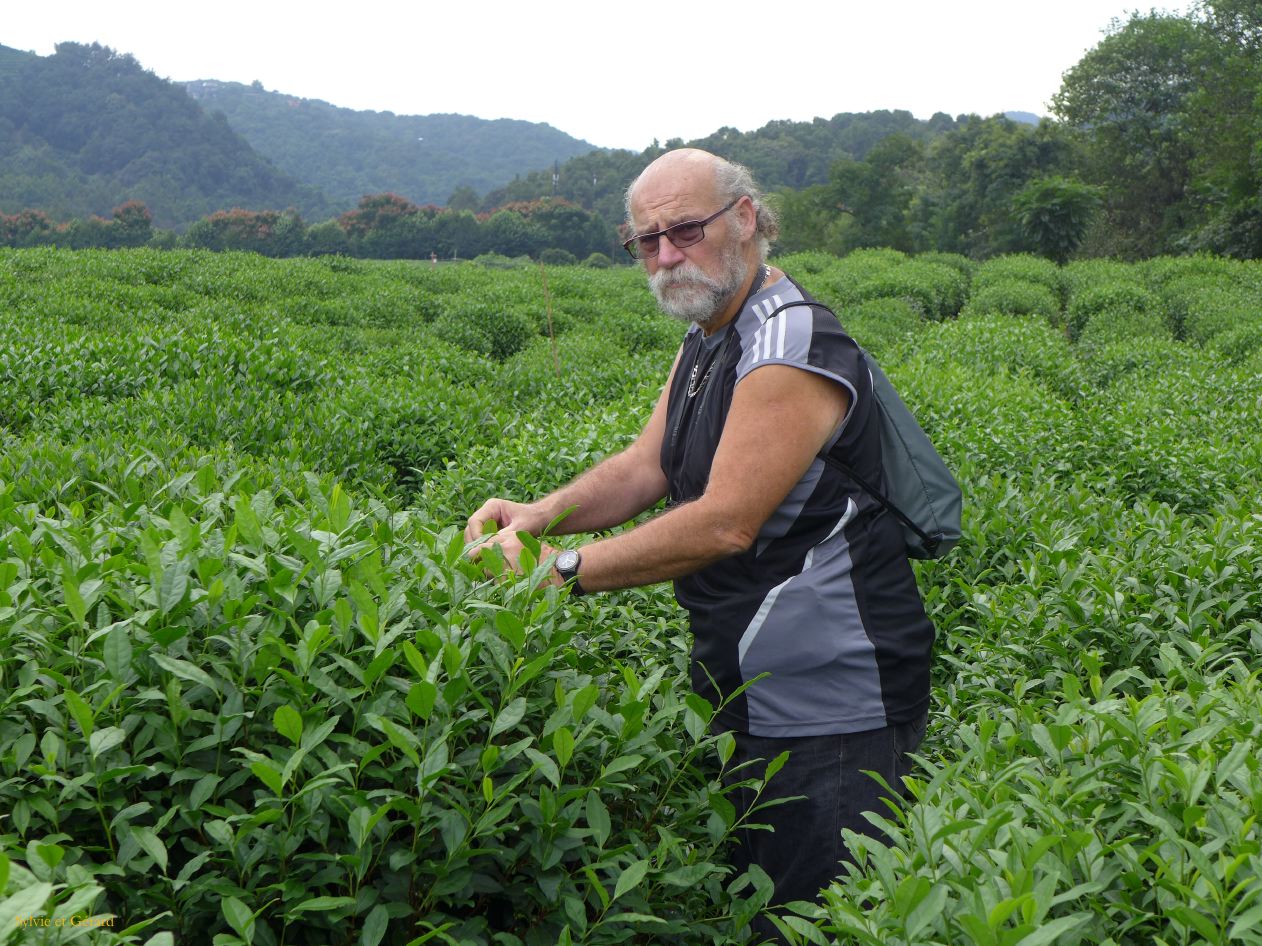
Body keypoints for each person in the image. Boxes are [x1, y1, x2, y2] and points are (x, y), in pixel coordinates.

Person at [464, 148, 934, 933]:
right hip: (747, 682)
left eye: (684, 230)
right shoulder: (708, 335)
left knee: (819, 919)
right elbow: (647, 465)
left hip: (834, 702)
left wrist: (562, 571)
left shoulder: (791, 347)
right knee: (757, 904)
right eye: (646, 241)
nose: (665, 256)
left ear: (745, 218)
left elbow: (726, 519)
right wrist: (538, 513)